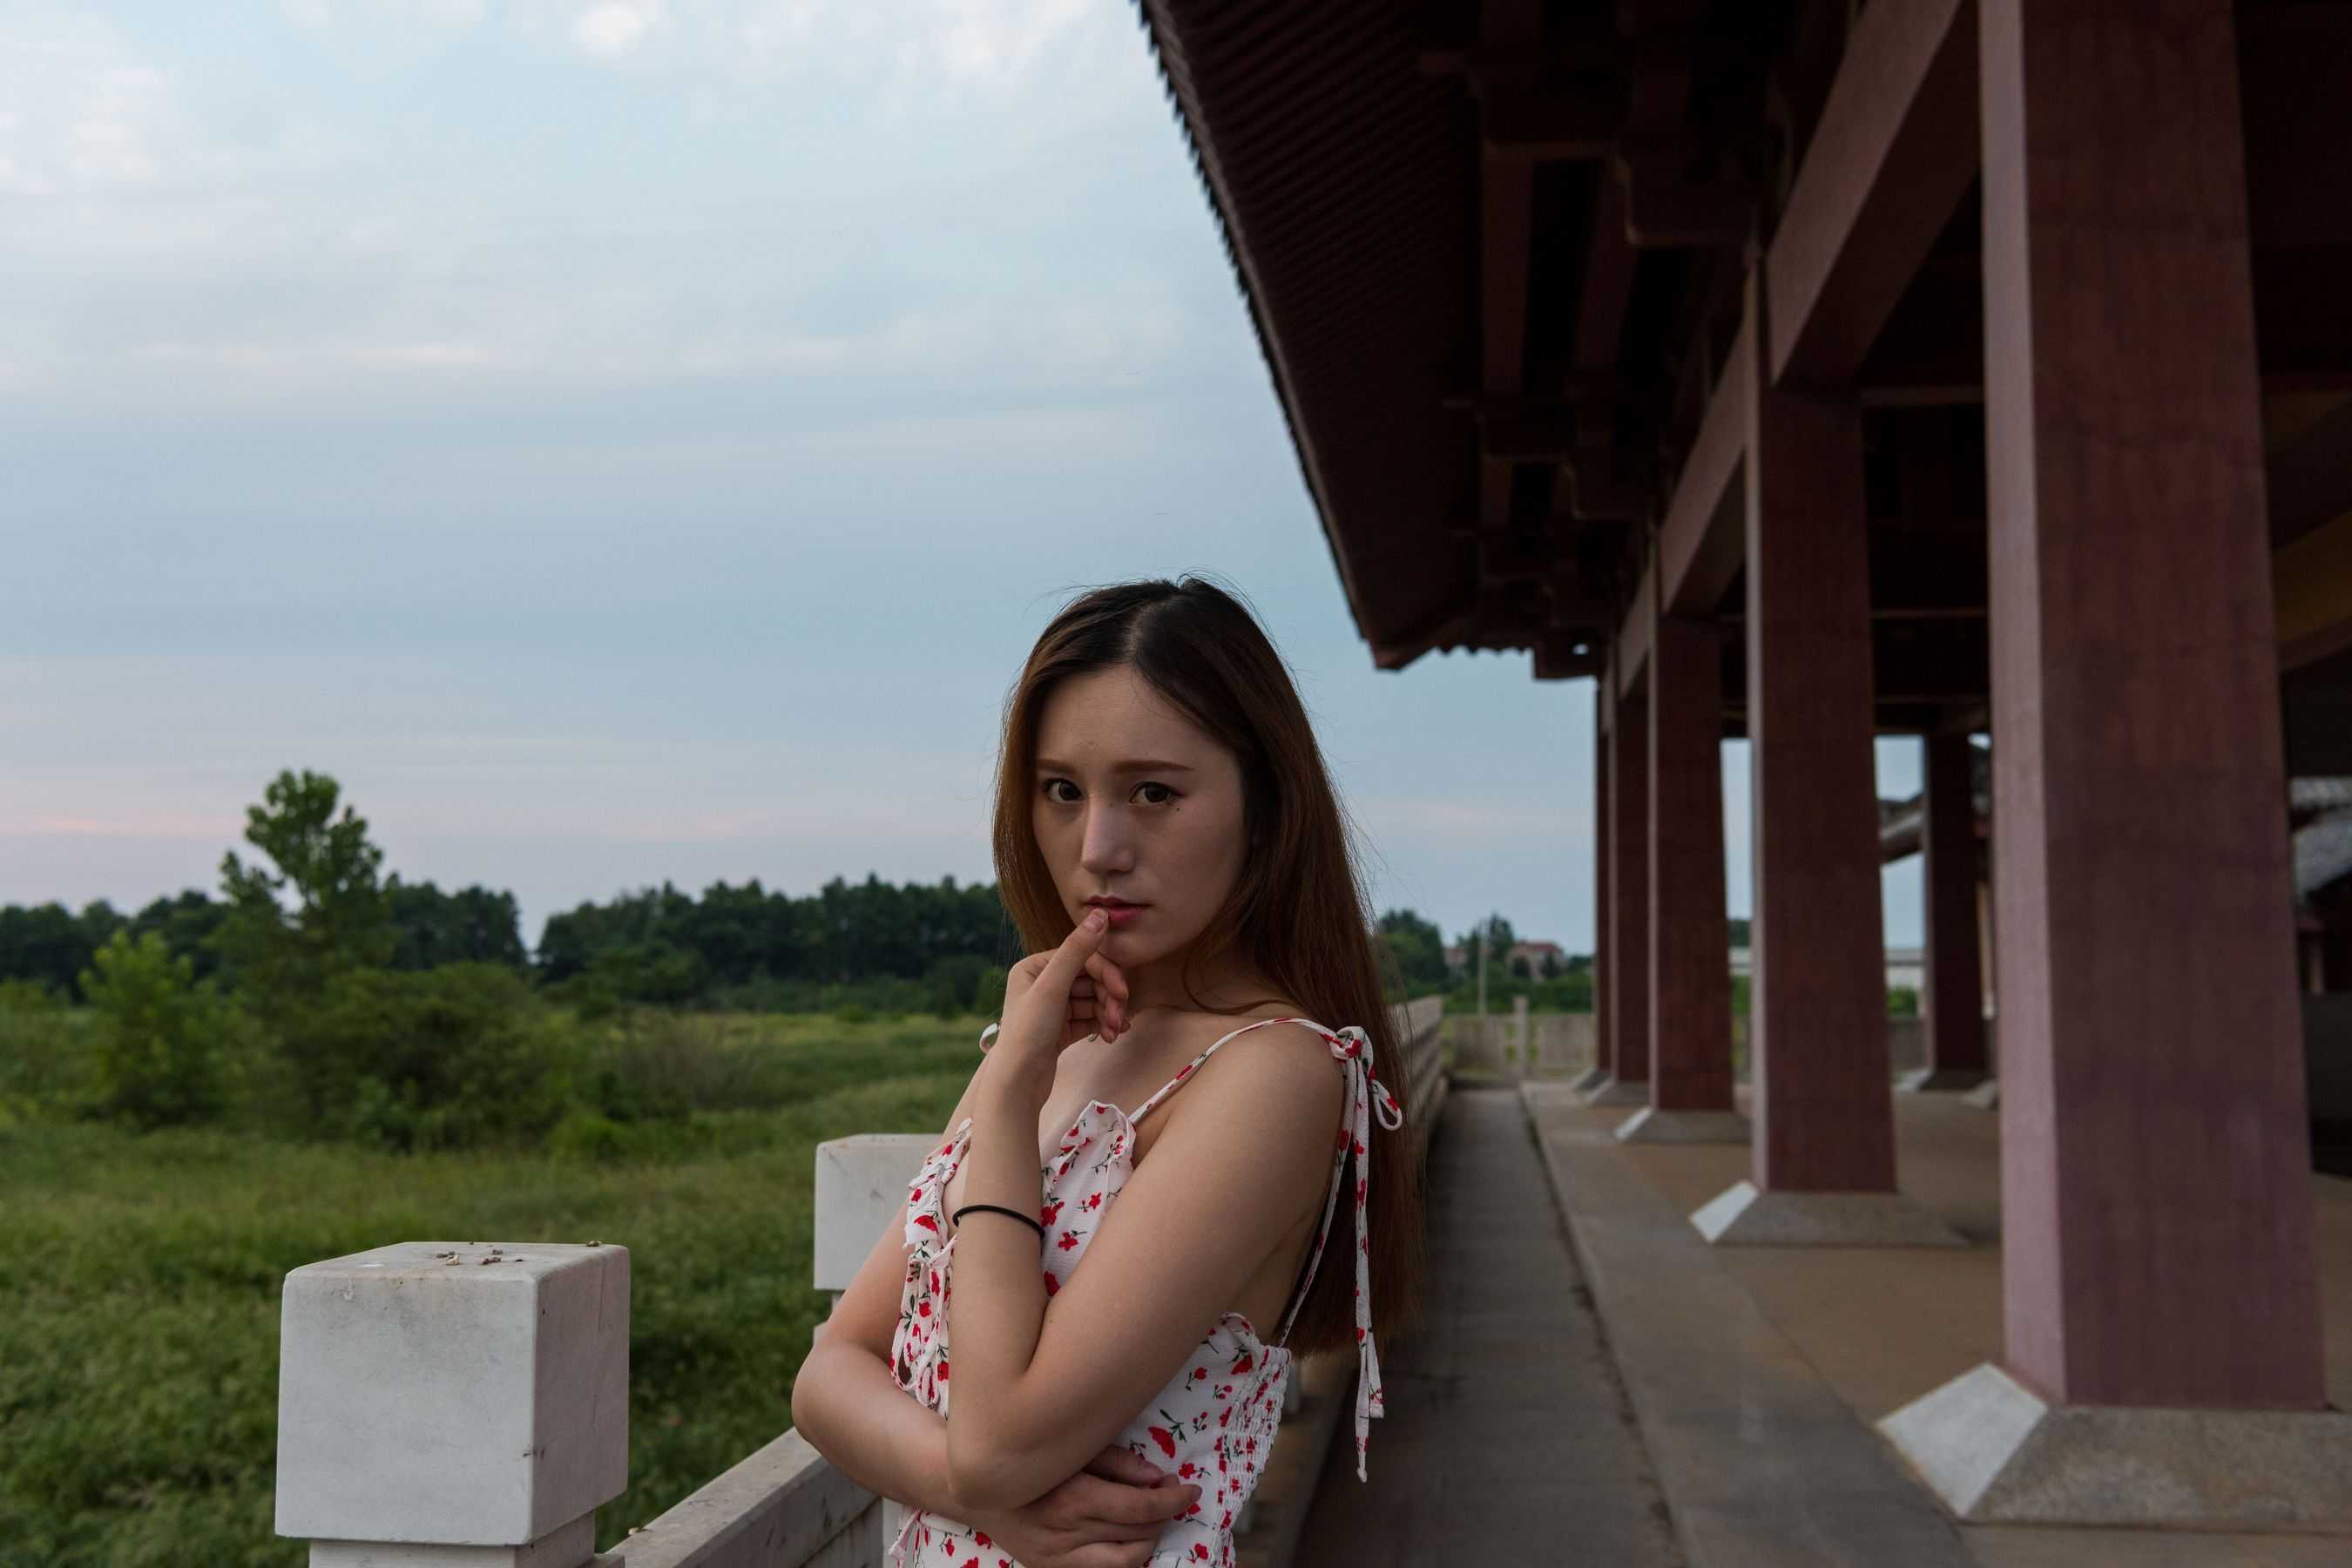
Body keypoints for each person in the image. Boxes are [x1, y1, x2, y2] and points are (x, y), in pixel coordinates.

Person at [790, 576, 1426, 1568]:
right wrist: (993, 1502)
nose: (1098, 849)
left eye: (1154, 793)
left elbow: (1000, 1445)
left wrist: (1009, 1098)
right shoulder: (1056, 1041)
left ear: (1265, 806)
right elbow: (829, 1372)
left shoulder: (1276, 1074)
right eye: (1062, 791)